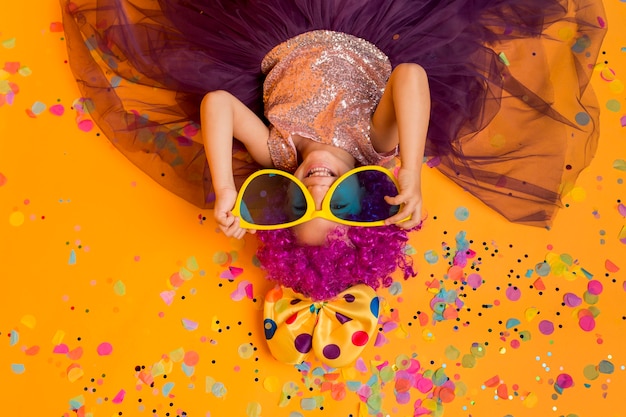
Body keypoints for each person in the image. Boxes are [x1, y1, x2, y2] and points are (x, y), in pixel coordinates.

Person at [60, 0, 607, 366]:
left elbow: (218, 105)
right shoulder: (376, 143)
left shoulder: (277, 152)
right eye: (340, 202)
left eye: (302, 202)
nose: (318, 184)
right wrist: (410, 171)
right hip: (375, 18)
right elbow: (412, 75)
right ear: (368, 196)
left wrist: (227, 187)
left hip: (274, 24)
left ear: (281, 197)